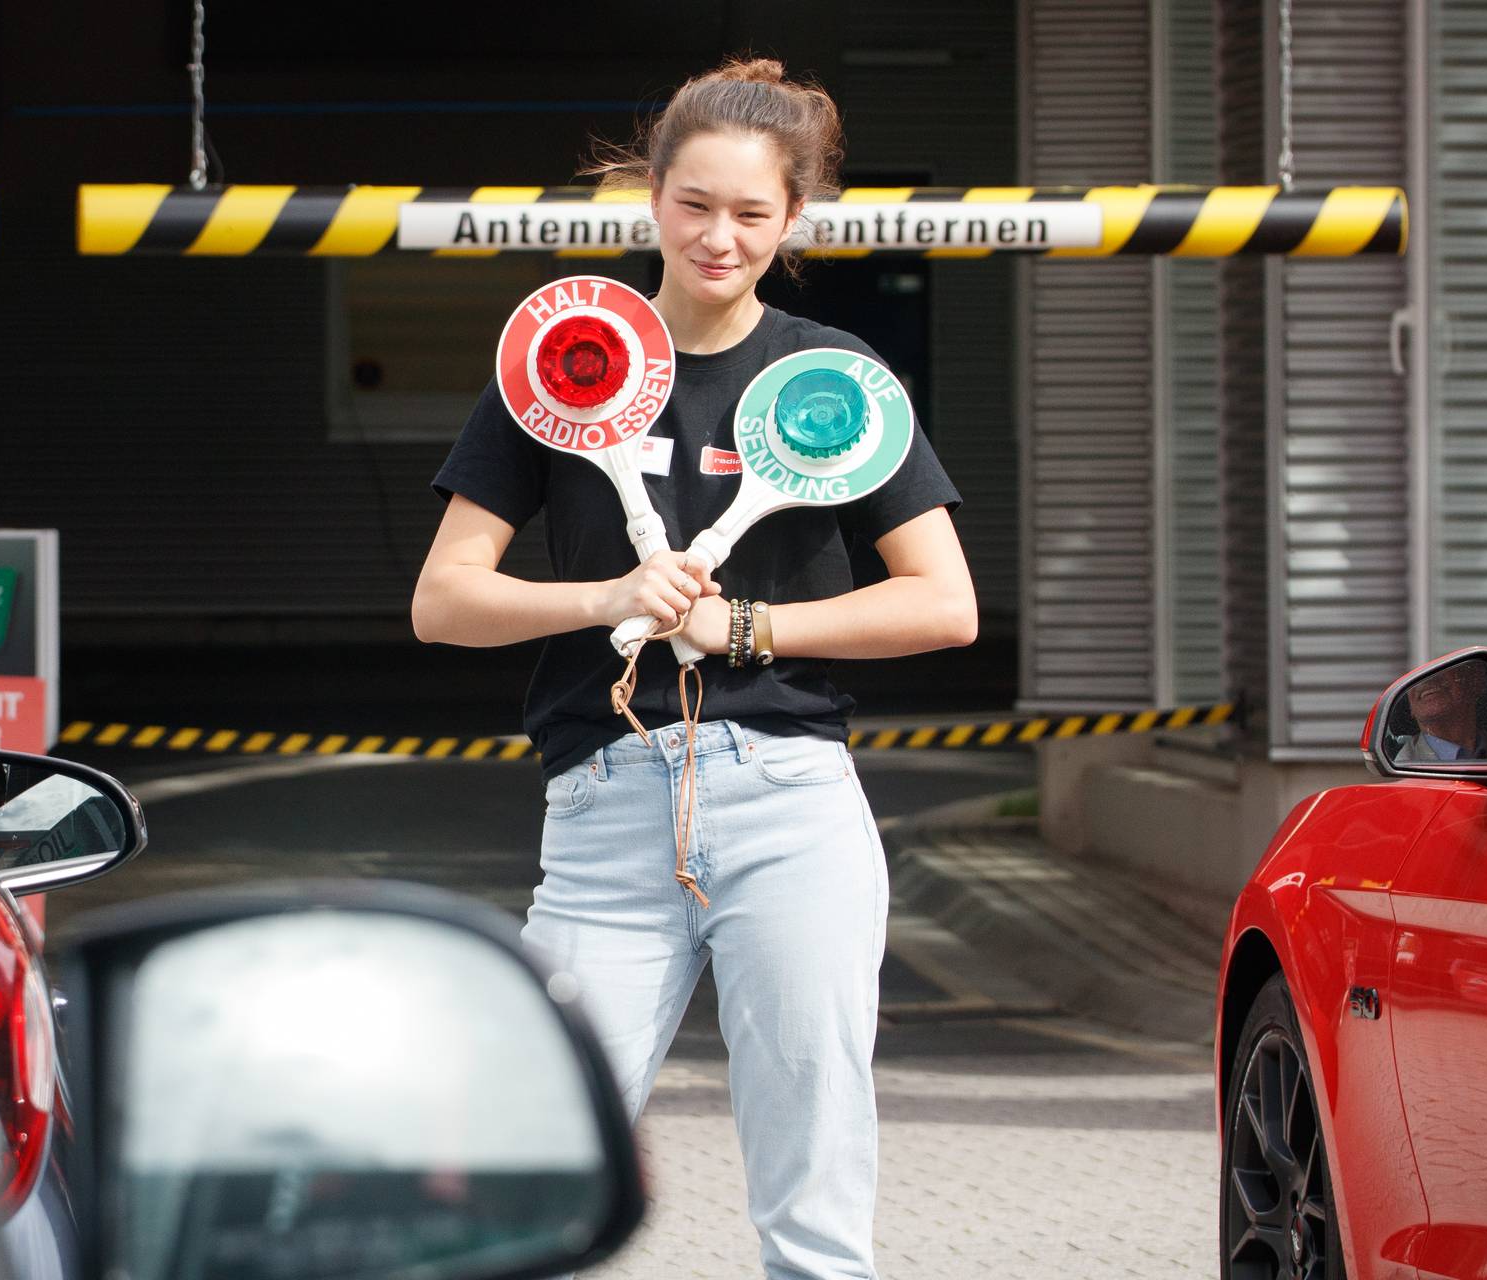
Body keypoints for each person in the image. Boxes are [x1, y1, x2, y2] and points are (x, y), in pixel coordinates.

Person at [409, 58, 977, 1280]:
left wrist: (752, 629)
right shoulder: (566, 357)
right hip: (605, 806)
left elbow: (945, 604)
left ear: (794, 219)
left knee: (813, 1195)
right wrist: (606, 595)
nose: (721, 236)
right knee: (541, 1157)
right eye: (695, 204)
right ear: (652, 195)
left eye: (753, 214)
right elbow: (443, 601)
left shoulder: (833, 384)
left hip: (792, 801)